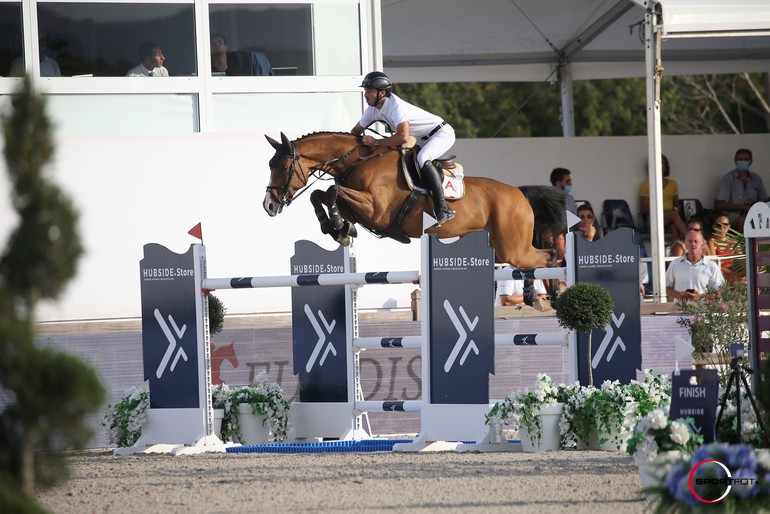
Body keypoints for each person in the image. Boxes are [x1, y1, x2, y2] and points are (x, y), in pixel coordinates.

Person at [350, 71, 455, 226]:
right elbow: (354, 132)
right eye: (365, 90)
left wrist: (376, 142)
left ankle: (443, 208)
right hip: (421, 138)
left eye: (369, 91)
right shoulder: (372, 110)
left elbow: (403, 137)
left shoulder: (396, 107)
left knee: (422, 158)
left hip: (441, 133)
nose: (365, 94)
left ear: (382, 93)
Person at [714, 148, 768, 229]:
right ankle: (743, 242)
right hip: (732, 214)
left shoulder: (756, 178)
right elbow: (719, 204)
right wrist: (742, 207)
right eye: (740, 159)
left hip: (754, 212)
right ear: (735, 161)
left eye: (745, 159)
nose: (742, 162)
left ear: (751, 162)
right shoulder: (728, 178)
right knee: (742, 221)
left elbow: (764, 200)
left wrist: (753, 207)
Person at [639, 154, 686, 244]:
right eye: (657, 163)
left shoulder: (673, 184)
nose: (660, 165)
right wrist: (664, 212)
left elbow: (676, 205)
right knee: (674, 216)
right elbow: (644, 209)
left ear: (665, 167)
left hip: (670, 218)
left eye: (662, 163)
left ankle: (673, 255)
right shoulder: (646, 185)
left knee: (674, 227)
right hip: (654, 220)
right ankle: (692, 239)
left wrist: (673, 210)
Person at [665, 229, 725, 301]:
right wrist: (678, 295)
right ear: (686, 245)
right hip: (679, 310)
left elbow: (720, 292)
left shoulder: (711, 266)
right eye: (690, 241)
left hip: (703, 311)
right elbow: (666, 288)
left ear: (702, 245)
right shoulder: (675, 264)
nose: (693, 244)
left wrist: (700, 297)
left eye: (696, 241)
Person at [707, 214, 741, 281]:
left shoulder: (734, 242)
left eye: (725, 225)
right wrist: (731, 273)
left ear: (729, 226)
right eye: (719, 225)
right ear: (714, 226)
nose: (722, 228)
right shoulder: (711, 242)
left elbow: (742, 261)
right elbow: (714, 264)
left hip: (732, 273)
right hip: (717, 273)